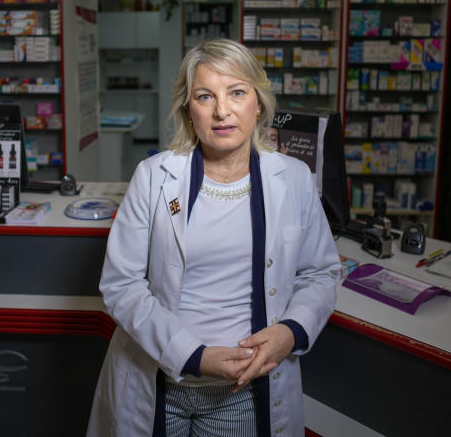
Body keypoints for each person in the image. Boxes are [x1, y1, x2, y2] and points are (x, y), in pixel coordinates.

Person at [87, 39, 341, 437]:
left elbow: (321, 273)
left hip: (240, 392)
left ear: (257, 102)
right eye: (206, 96)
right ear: (189, 110)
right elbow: (121, 284)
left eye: (236, 92)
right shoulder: (154, 176)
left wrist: (291, 330)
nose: (222, 111)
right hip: (158, 382)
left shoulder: (293, 179)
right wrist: (194, 356)